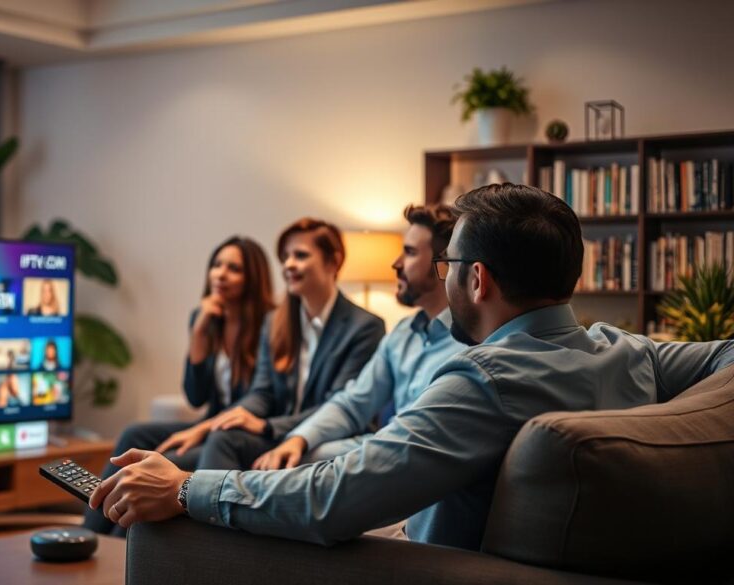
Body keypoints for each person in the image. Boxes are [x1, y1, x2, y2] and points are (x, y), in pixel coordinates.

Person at [87, 184, 734, 551]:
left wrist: (183, 489)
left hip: (416, 565)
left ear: (475, 279)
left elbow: (331, 500)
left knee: (182, 533)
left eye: (448, 262)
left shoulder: (483, 380)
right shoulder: (632, 350)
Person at [83, 235, 275, 535]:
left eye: (234, 268)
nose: (221, 274)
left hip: (235, 436)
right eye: (217, 265)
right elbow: (196, 396)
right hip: (208, 424)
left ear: (252, 279)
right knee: (134, 433)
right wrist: (199, 333)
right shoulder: (206, 319)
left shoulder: (270, 325)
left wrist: (200, 430)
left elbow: (261, 398)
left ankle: (123, 548)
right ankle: (92, 531)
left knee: (161, 464)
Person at [251, 203, 465, 471]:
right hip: (383, 454)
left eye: (409, 253)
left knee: (301, 465)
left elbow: (420, 442)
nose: (395, 263)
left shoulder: (470, 341)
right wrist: (298, 439)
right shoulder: (401, 334)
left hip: (417, 468)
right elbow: (354, 402)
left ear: (443, 264)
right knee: (298, 458)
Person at [162, 218, 385, 472]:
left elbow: (340, 405)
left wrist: (267, 427)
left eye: (300, 255)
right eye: (285, 256)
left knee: (221, 441)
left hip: (322, 436)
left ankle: (200, 504)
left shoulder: (365, 327)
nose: (288, 264)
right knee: (139, 437)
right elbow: (263, 392)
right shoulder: (276, 320)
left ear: (334, 262)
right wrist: (237, 416)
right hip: (277, 432)